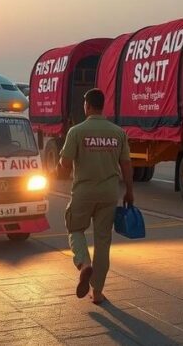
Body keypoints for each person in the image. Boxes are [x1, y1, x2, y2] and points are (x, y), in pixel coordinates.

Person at [59, 88, 134, 305]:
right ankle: (98, 292)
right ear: (103, 106)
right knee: (103, 242)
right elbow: (127, 164)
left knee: (75, 228)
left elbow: (64, 164)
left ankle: (84, 264)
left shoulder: (77, 131)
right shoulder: (118, 132)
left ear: (88, 106)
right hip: (109, 193)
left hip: (84, 192)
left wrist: (60, 167)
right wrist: (129, 191)